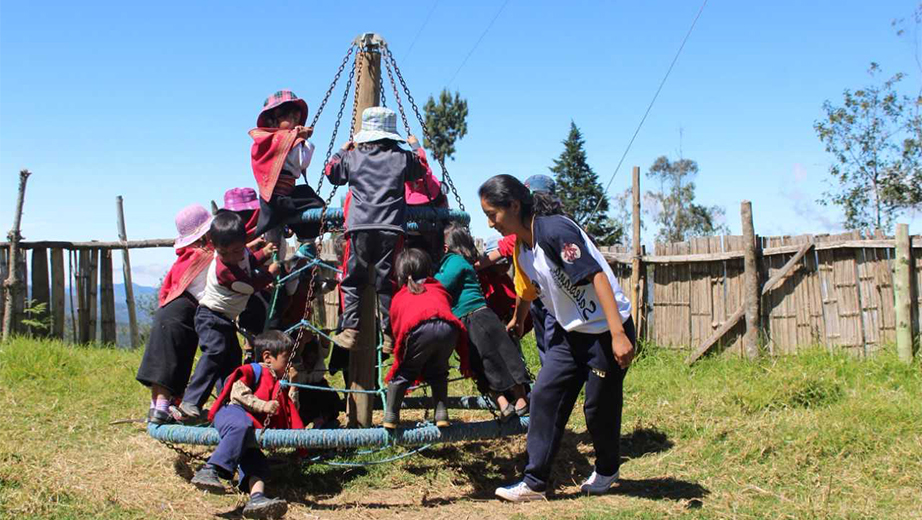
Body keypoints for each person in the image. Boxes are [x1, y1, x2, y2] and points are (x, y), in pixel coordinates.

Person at [478, 174, 636, 502]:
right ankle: (535, 482)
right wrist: (518, 320)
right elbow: (529, 289)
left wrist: (619, 334)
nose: (491, 223)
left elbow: (595, 276)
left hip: (605, 330)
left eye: (493, 214)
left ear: (514, 205)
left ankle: (607, 468)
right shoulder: (523, 245)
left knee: (597, 407)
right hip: (570, 332)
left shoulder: (554, 230)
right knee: (545, 396)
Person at [323, 106, 426, 352]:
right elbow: (421, 167)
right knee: (388, 281)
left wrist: (341, 150)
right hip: (391, 227)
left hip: (359, 226)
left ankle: (350, 330)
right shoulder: (402, 157)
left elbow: (331, 172)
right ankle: (390, 335)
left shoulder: (352, 157)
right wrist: (415, 145)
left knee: (352, 279)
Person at [176, 211, 281, 421]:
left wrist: (265, 253)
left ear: (244, 243)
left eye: (237, 250)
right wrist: (270, 272)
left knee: (232, 362)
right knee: (215, 352)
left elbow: (248, 261)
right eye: (225, 252)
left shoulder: (240, 255)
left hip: (225, 320)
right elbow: (249, 286)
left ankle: (229, 404)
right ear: (214, 246)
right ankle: (191, 401)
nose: (233, 257)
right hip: (210, 317)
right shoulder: (224, 270)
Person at [190, 331, 300, 519]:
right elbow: (238, 393)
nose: (290, 364)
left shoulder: (279, 382)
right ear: (267, 357)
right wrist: (263, 405)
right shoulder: (254, 370)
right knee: (241, 426)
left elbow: (290, 410)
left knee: (256, 461)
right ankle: (210, 469)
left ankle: (257, 498)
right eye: (287, 358)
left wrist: (294, 385)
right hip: (234, 414)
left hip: (250, 427)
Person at [436, 223, 530, 420]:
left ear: (446, 247)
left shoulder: (455, 261)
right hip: (482, 317)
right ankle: (516, 400)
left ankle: (510, 402)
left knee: (483, 361)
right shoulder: (464, 263)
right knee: (503, 356)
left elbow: (441, 284)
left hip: (473, 318)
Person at [136, 204, 214, 424]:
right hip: (183, 312)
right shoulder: (207, 257)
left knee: (171, 359)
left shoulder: (187, 257)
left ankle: (160, 408)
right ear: (205, 233)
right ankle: (163, 408)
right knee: (173, 362)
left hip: (169, 312)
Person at [476, 174, 563, 365]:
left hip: (562, 303)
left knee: (555, 346)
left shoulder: (558, 231)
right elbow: (522, 286)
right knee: (547, 345)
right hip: (539, 299)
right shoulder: (518, 239)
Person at [385, 248, 469, 429]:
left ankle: (391, 416)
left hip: (419, 330)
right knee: (438, 372)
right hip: (449, 329)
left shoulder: (401, 296)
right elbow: (446, 303)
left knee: (405, 372)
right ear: (428, 269)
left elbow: (398, 325)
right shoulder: (437, 287)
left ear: (400, 275)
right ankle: (441, 415)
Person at [249, 90, 325, 243]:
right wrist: (304, 141)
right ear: (273, 122)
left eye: (296, 118)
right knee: (315, 202)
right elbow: (302, 162)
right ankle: (307, 243)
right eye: (289, 117)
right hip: (281, 199)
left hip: (269, 200)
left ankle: (302, 240)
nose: (294, 122)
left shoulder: (266, 142)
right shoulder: (286, 142)